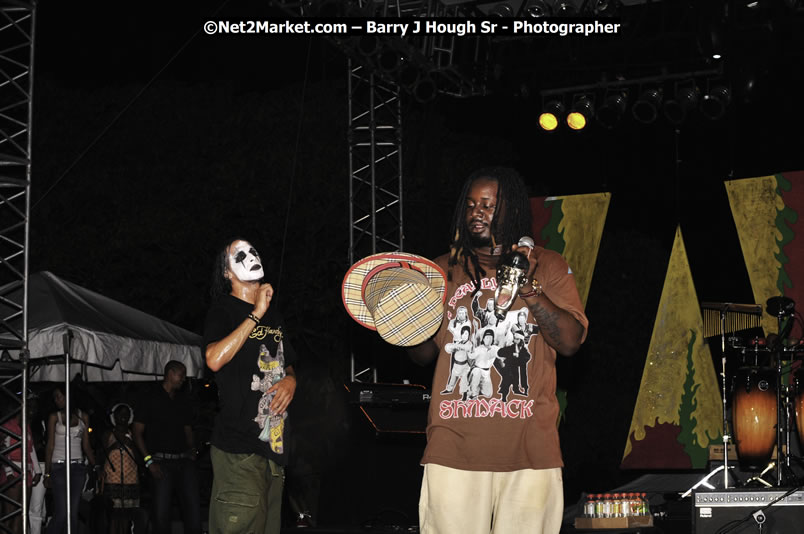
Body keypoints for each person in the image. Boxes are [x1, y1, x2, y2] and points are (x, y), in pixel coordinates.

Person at [407, 167, 589, 534]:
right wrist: (409, 326)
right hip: (453, 446)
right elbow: (423, 356)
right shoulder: (442, 270)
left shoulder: (548, 265)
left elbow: (570, 342)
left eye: (488, 205)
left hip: (529, 449)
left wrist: (529, 289)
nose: (477, 212)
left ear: (513, 210)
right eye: (471, 205)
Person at [203, 238, 298, 534]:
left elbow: (289, 362)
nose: (250, 255)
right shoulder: (223, 310)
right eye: (239, 254)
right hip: (238, 450)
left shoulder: (276, 317)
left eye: (253, 250)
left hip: (274, 450)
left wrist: (292, 380)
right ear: (227, 272)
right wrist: (255, 312)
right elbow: (213, 359)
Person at [132, 361, 200, 534]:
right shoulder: (150, 397)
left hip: (184, 462)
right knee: (161, 514)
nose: (184, 379)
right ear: (170, 373)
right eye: (181, 375)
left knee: (193, 511)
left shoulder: (182, 400)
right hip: (161, 462)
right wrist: (149, 462)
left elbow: (188, 429)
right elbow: (137, 432)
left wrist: (192, 449)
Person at [45, 385, 97, 534]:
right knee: (62, 512)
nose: (56, 400)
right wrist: (47, 473)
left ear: (68, 396)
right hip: (59, 466)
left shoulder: (83, 416)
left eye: (59, 396)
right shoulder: (54, 417)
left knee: (73, 513)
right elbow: (50, 446)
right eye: (55, 397)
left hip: (77, 467)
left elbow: (86, 446)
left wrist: (96, 466)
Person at [1, 396, 42, 534]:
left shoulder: (26, 426)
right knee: (9, 515)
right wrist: (8, 473)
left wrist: (37, 470)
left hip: (27, 473)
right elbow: (3, 450)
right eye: (31, 407)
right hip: (12, 472)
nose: (34, 411)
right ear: (23, 407)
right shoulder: (7, 425)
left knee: (21, 515)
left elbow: (31, 449)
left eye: (35, 408)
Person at [101, 403, 141, 534]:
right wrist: (114, 446)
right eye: (120, 413)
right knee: (113, 514)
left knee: (125, 515)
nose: (123, 416)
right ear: (114, 416)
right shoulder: (108, 434)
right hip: (112, 478)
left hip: (130, 479)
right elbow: (100, 454)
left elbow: (141, 458)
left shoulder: (134, 434)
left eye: (126, 413)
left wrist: (132, 445)